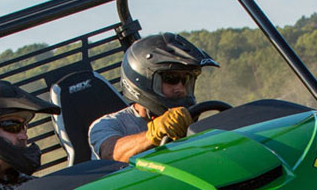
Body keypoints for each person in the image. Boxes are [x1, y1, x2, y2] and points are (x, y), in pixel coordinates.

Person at [88, 33, 219, 162]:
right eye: (171, 79)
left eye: (186, 80)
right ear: (144, 80)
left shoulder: (185, 119)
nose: (181, 88)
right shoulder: (108, 124)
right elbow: (111, 153)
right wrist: (154, 134)